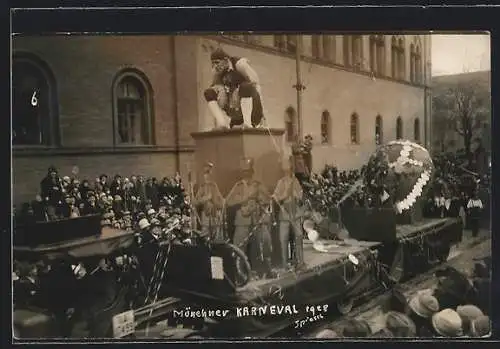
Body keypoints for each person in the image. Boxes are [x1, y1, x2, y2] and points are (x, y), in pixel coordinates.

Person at [225, 157, 272, 278]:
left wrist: (260, 202)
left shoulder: (258, 185)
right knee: (239, 247)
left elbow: (267, 198)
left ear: (252, 172)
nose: (246, 174)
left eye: (248, 171)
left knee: (263, 244)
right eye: (244, 171)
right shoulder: (238, 186)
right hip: (242, 220)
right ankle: (240, 274)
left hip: (257, 219)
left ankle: (264, 270)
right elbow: (228, 201)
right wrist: (242, 200)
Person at [203, 48, 264, 129]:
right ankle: (222, 124)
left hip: (252, 108)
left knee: (246, 86)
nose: (216, 66)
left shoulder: (240, 65)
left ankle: (247, 124)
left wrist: (262, 116)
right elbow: (215, 92)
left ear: (226, 60)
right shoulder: (217, 72)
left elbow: (256, 84)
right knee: (209, 92)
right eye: (213, 64)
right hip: (236, 109)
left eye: (217, 63)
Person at [272, 156, 305, 269]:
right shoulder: (280, 182)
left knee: (299, 237)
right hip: (284, 213)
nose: (289, 171)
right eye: (288, 168)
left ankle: (300, 262)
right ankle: (284, 263)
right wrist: (284, 195)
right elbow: (275, 197)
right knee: (283, 239)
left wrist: (297, 194)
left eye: (290, 168)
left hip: (295, 212)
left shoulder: (295, 181)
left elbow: (300, 195)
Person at [193, 162, 225, 241]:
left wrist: (216, 202)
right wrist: (205, 198)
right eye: (206, 173)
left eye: (209, 172)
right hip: (206, 218)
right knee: (205, 239)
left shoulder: (216, 186)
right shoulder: (201, 187)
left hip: (215, 216)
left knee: (217, 239)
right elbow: (195, 202)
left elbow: (222, 203)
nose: (207, 176)